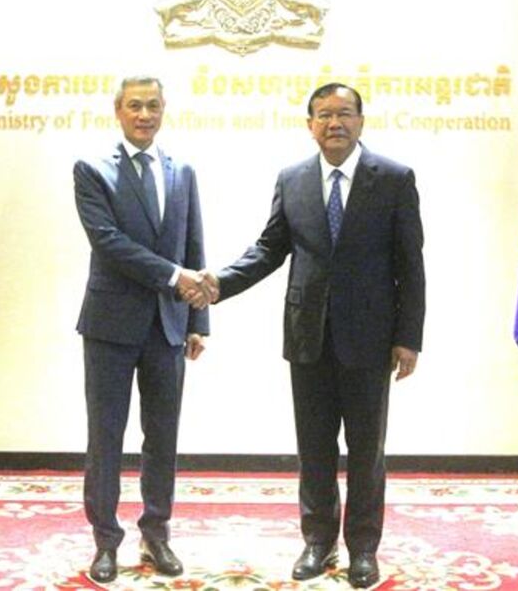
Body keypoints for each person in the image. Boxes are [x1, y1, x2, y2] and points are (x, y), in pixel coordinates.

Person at [202, 83, 425, 588]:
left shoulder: (393, 178)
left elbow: (410, 264)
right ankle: (317, 543)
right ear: (310, 125)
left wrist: (408, 336)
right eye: (324, 115)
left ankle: (362, 549)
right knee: (315, 448)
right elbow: (269, 249)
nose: (334, 123)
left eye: (344, 113)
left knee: (366, 450)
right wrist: (219, 284)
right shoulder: (293, 179)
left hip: (370, 338)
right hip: (308, 336)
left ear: (361, 121)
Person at [73, 76, 211, 583]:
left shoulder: (182, 170)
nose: (145, 114)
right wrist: (175, 277)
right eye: (135, 106)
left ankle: (157, 534)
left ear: (163, 110)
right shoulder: (92, 169)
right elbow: (108, 242)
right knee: (105, 437)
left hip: (168, 327)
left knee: (163, 437)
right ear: (118, 111)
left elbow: (193, 243)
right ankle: (105, 541)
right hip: (110, 326)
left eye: (153, 105)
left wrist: (198, 319)